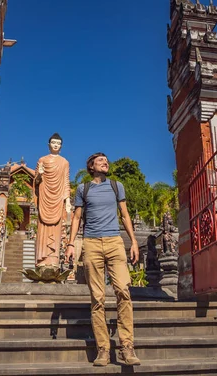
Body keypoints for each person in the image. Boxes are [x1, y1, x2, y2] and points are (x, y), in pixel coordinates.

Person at [66, 153, 141, 367]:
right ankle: (103, 349)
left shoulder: (117, 186)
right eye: (100, 160)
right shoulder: (83, 189)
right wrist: (71, 244)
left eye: (106, 160)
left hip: (115, 242)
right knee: (97, 298)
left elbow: (125, 215)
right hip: (91, 243)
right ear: (91, 166)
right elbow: (77, 218)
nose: (105, 162)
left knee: (123, 290)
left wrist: (133, 242)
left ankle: (127, 346)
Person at [34, 133, 71, 267]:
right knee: (42, 228)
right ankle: (41, 260)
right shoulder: (42, 160)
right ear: (48, 144)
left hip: (57, 200)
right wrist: (39, 175)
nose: (56, 145)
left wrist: (67, 200)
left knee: (56, 229)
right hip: (44, 198)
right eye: (53, 142)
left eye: (58, 143)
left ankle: (53, 261)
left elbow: (66, 181)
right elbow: (36, 182)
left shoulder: (64, 162)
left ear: (61, 146)